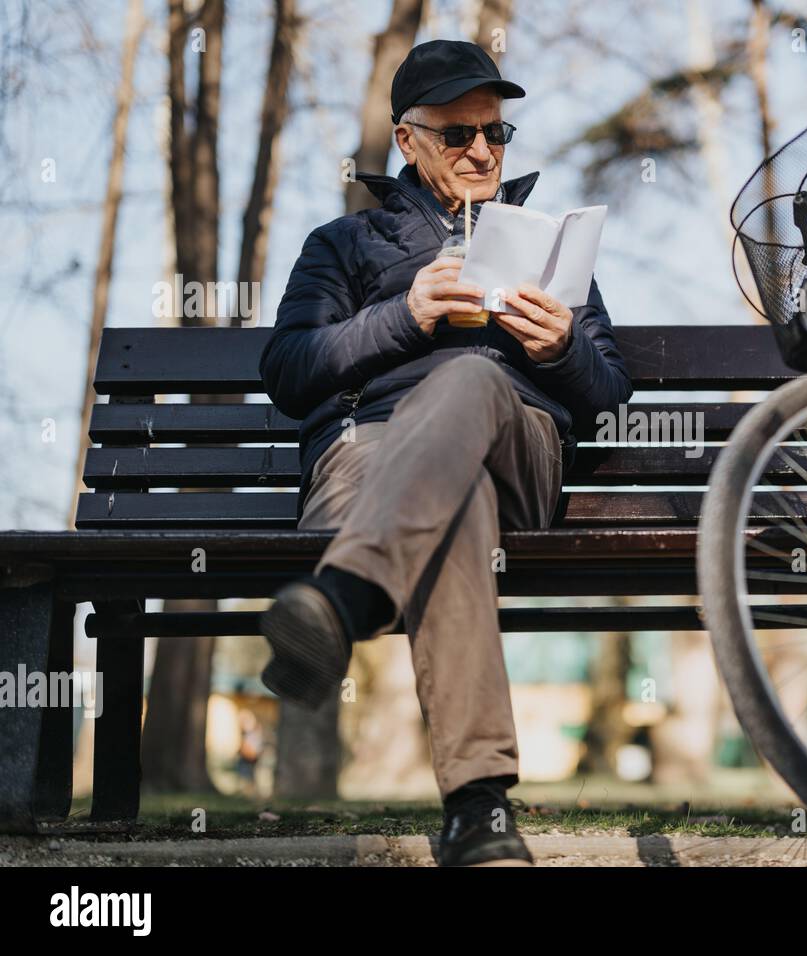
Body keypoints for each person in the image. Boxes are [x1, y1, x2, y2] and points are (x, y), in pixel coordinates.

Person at [258, 39, 632, 866]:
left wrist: (562, 347)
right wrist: (405, 316)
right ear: (407, 139)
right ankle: (480, 813)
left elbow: (609, 391)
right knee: (449, 499)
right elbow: (288, 371)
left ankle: (347, 599)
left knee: (470, 378)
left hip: (517, 454)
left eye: (495, 135)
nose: (480, 151)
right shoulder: (345, 246)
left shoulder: (551, 245)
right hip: (370, 463)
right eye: (458, 134)